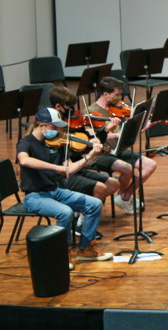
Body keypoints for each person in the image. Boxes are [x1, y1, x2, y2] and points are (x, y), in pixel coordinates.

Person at [17, 108, 113, 262]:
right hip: (34, 196)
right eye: (54, 128)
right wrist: (55, 167)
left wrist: (89, 156)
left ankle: (85, 249)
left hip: (55, 191)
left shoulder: (56, 145)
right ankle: (62, 255)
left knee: (94, 204)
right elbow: (24, 160)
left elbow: (69, 170)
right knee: (65, 212)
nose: (58, 131)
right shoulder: (25, 143)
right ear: (42, 126)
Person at [86, 77, 159, 209]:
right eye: (117, 94)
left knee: (150, 165)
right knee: (127, 169)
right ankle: (125, 198)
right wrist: (114, 132)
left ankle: (124, 196)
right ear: (105, 94)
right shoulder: (91, 112)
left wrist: (146, 124)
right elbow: (91, 138)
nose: (119, 98)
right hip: (100, 153)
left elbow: (130, 130)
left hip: (117, 149)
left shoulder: (116, 108)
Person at [46, 86, 123, 207]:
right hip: (62, 172)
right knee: (100, 188)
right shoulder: (50, 126)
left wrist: (105, 131)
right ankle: (81, 216)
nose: (73, 110)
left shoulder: (75, 122)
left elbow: (87, 142)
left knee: (113, 184)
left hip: (78, 166)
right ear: (58, 106)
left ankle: (80, 210)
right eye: (69, 107)